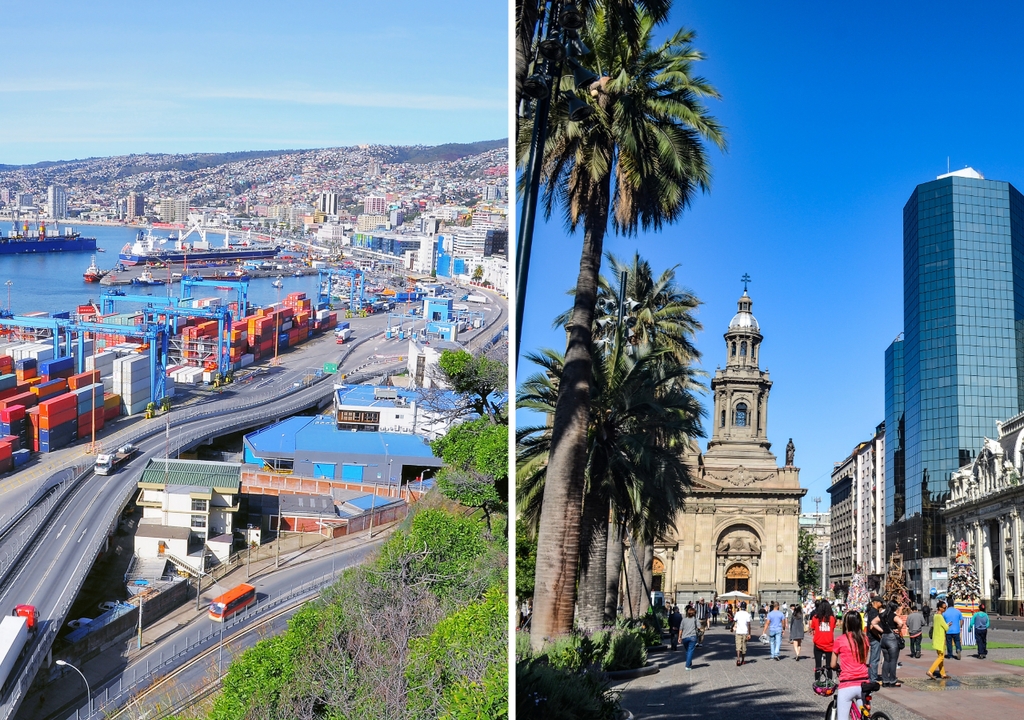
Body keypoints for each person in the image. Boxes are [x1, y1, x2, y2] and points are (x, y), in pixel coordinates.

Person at [831, 610, 871, 720]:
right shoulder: (865, 639)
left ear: (846, 623)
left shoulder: (840, 640)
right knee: (864, 716)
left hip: (847, 684)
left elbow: (833, 664)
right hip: (864, 683)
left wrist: (837, 667)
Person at [877, 600, 905, 687]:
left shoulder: (882, 615)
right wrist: (898, 629)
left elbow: (873, 622)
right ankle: (892, 680)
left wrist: (882, 630)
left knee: (886, 660)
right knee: (893, 660)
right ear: (894, 608)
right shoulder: (893, 616)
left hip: (884, 638)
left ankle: (885, 680)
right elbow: (901, 623)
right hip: (892, 639)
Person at [810, 600, 837, 683]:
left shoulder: (815, 618)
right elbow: (832, 628)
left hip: (818, 643)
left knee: (818, 666)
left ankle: (817, 683)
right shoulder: (832, 619)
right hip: (829, 644)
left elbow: (813, 628)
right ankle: (829, 682)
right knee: (829, 666)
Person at [928, 600, 951, 679]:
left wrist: (946, 625)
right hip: (940, 638)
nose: (945, 609)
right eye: (944, 608)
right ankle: (930, 671)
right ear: (939, 608)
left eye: (946, 608)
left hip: (936, 637)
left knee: (940, 656)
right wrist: (948, 625)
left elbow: (940, 625)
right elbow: (946, 628)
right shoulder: (940, 616)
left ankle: (943, 673)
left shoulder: (935, 616)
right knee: (941, 657)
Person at [865, 595, 884, 682]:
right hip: (874, 638)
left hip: (871, 637)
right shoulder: (874, 612)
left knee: (873, 658)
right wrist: (879, 635)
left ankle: (870, 675)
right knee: (875, 659)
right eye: (881, 602)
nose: (882, 604)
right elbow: (872, 627)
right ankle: (872, 678)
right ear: (876, 602)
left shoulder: (872, 611)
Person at [679, 605, 699, 670]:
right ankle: (687, 666)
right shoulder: (695, 619)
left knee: (687, 651)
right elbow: (699, 627)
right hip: (693, 636)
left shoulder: (684, 620)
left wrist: (679, 637)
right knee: (690, 651)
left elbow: (681, 629)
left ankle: (689, 663)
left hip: (684, 637)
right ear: (694, 614)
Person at [734, 601, 752, 666]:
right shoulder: (747, 614)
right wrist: (749, 634)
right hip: (745, 632)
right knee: (744, 647)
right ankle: (743, 660)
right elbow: (749, 624)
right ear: (746, 607)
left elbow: (734, 621)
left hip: (738, 632)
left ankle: (738, 659)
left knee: (738, 646)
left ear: (741, 607)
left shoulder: (737, 613)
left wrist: (731, 628)